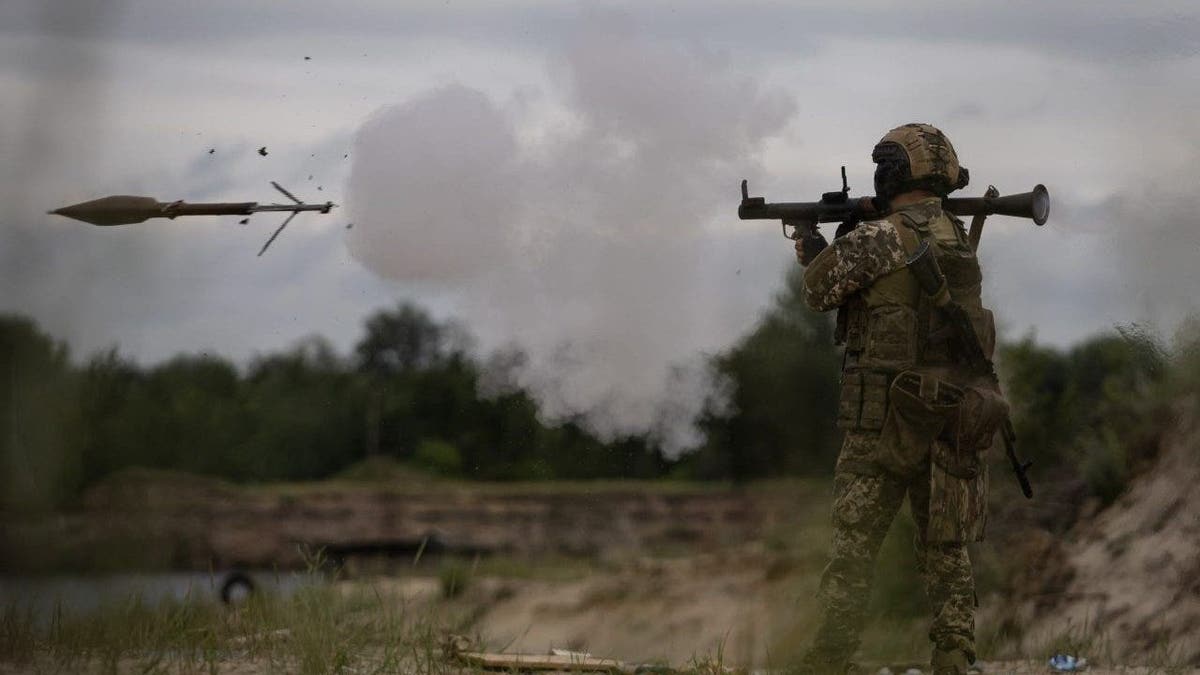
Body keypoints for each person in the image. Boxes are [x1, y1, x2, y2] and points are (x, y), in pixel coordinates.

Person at [794, 123, 1008, 675]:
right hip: (951, 413)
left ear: (890, 172)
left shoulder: (880, 238)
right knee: (945, 545)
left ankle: (831, 657)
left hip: (884, 419)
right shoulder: (957, 237)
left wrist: (815, 245)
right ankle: (955, 653)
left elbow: (818, 292)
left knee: (853, 548)